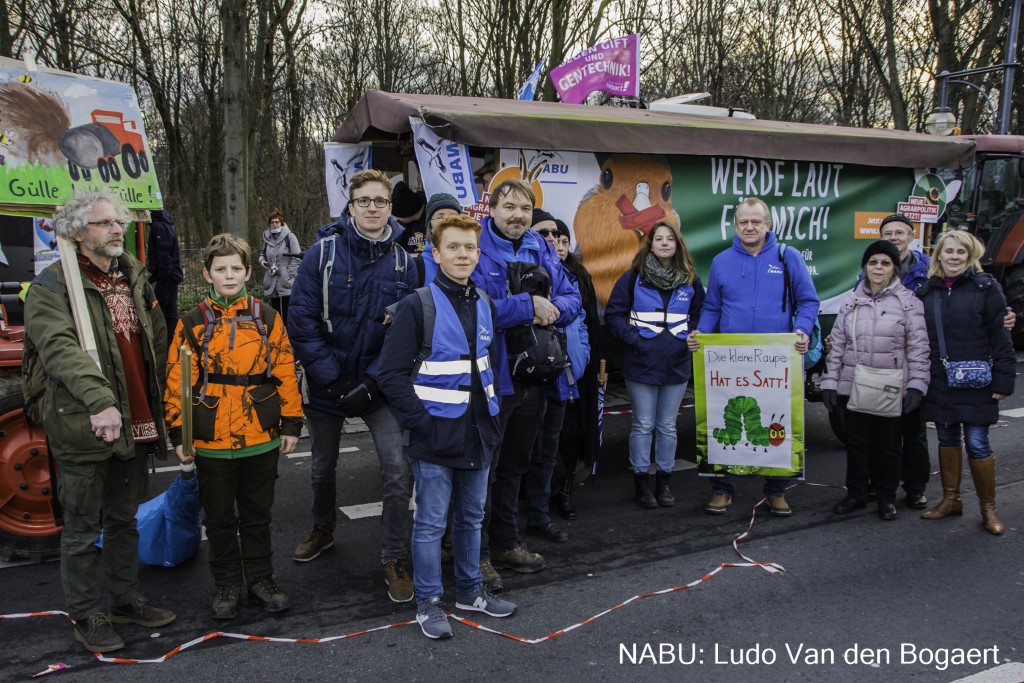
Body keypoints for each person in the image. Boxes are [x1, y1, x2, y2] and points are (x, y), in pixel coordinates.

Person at [23, 191, 175, 653]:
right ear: (75, 232)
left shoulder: (133, 275)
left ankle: (127, 598)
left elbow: (156, 338)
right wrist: (99, 401)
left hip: (136, 419)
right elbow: (60, 351)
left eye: (118, 221)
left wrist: (164, 397)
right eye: (104, 222)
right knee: (83, 526)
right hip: (85, 422)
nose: (116, 229)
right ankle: (87, 614)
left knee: (124, 518)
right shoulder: (51, 287)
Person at [377, 214, 517, 640]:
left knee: (472, 517)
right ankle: (429, 601)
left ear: (478, 253)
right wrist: (421, 424)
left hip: (479, 431)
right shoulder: (416, 305)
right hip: (435, 433)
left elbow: (486, 365)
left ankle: (471, 592)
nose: (462, 254)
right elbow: (390, 375)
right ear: (435, 254)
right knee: (431, 523)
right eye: (453, 247)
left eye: (469, 247)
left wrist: (492, 418)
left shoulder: (484, 302)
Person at [286, 169, 418, 601]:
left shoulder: (405, 262)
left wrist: (372, 382)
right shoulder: (320, 255)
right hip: (328, 386)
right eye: (365, 201)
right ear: (350, 206)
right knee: (322, 467)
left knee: (398, 471)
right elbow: (301, 324)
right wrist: (336, 380)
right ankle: (323, 528)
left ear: (390, 207)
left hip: (378, 387)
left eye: (381, 201)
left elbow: (408, 334)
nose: (374, 208)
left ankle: (395, 556)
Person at [165, 233, 303, 619]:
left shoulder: (267, 317)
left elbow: (285, 371)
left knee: (257, 515)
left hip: (260, 434)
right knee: (219, 517)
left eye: (236, 269)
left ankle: (261, 578)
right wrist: (180, 432)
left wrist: (291, 422)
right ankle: (227, 583)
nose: (229, 276)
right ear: (207, 274)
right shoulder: (191, 323)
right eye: (221, 269)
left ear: (248, 273)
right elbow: (177, 379)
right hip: (210, 439)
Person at [474, 180, 581, 588]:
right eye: (509, 206)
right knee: (483, 468)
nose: (517, 214)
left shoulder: (540, 246)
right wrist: (526, 306)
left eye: (525, 207)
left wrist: (552, 310)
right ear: (493, 209)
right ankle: (478, 554)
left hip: (535, 376)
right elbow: (473, 306)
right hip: (492, 377)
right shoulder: (476, 246)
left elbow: (572, 296)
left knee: (516, 464)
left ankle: (505, 541)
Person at [687, 197, 819, 516]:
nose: (750, 227)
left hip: (777, 361)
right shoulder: (721, 261)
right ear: (735, 225)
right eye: (744, 221)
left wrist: (802, 331)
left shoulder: (789, 258)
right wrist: (700, 333)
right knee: (726, 419)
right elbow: (712, 306)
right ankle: (722, 489)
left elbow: (808, 301)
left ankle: (776, 491)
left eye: (756, 222)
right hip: (732, 361)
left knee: (776, 423)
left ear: (768, 225)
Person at [821, 240, 930, 520]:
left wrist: (917, 385)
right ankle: (856, 494)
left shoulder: (909, 303)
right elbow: (839, 346)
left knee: (889, 446)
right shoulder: (851, 302)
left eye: (884, 262)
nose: (878, 268)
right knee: (857, 444)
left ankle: (886, 497)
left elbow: (918, 349)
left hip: (892, 386)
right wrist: (830, 383)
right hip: (855, 383)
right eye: (872, 262)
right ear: (865, 266)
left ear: (894, 267)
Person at [916, 230, 1015, 535]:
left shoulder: (986, 287)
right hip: (941, 379)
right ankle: (950, 500)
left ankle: (988, 508)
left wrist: (1003, 379)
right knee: (946, 440)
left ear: (971, 256)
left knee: (976, 442)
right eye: (949, 252)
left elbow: (1001, 337)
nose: (954, 257)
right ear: (938, 256)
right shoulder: (926, 291)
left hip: (977, 380)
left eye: (961, 252)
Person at [607, 221, 704, 508]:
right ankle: (641, 482)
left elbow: (701, 312)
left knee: (667, 426)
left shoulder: (690, 279)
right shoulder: (632, 277)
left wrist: (693, 333)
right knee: (643, 424)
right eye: (658, 239)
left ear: (677, 244)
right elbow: (613, 315)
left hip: (676, 363)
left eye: (669, 239)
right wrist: (636, 341)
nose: (664, 243)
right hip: (641, 363)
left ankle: (664, 481)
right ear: (650, 244)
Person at [521, 210, 589, 540]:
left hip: (558, 374)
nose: (550, 238)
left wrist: (550, 309)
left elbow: (576, 306)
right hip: (522, 375)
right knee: (516, 455)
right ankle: (506, 529)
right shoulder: (516, 262)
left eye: (554, 233)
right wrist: (530, 306)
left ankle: (538, 514)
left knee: (548, 451)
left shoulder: (563, 271)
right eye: (542, 232)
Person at [541, 218, 607, 520]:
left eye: (562, 238)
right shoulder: (539, 273)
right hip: (544, 372)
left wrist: (593, 365)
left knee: (573, 435)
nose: (557, 243)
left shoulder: (581, 278)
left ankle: (565, 492)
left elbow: (591, 325)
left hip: (578, 374)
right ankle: (540, 496)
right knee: (544, 437)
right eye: (549, 236)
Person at [258, 208, 301, 323]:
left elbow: (296, 257)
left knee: (286, 314)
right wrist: (262, 261)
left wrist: (289, 274)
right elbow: (262, 254)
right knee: (275, 313)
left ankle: (287, 336)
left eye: (277, 222)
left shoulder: (290, 237)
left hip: (285, 281)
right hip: (272, 279)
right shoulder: (267, 238)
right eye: (272, 222)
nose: (274, 224)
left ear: (281, 223)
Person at [146, 208, 182, 344]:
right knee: (170, 311)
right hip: (169, 275)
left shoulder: (159, 227)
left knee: (161, 311)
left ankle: (167, 341)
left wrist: (160, 275)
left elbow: (163, 254)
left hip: (167, 276)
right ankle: (171, 340)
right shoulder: (166, 225)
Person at [418, 192, 463, 285]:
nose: (447, 222)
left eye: (453, 216)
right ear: (429, 225)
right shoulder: (418, 266)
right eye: (440, 217)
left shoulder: (471, 260)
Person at [392, 180, 428, 254]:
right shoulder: (402, 225)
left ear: (406, 214)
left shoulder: (431, 217)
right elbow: (394, 249)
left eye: (397, 216)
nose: (396, 219)